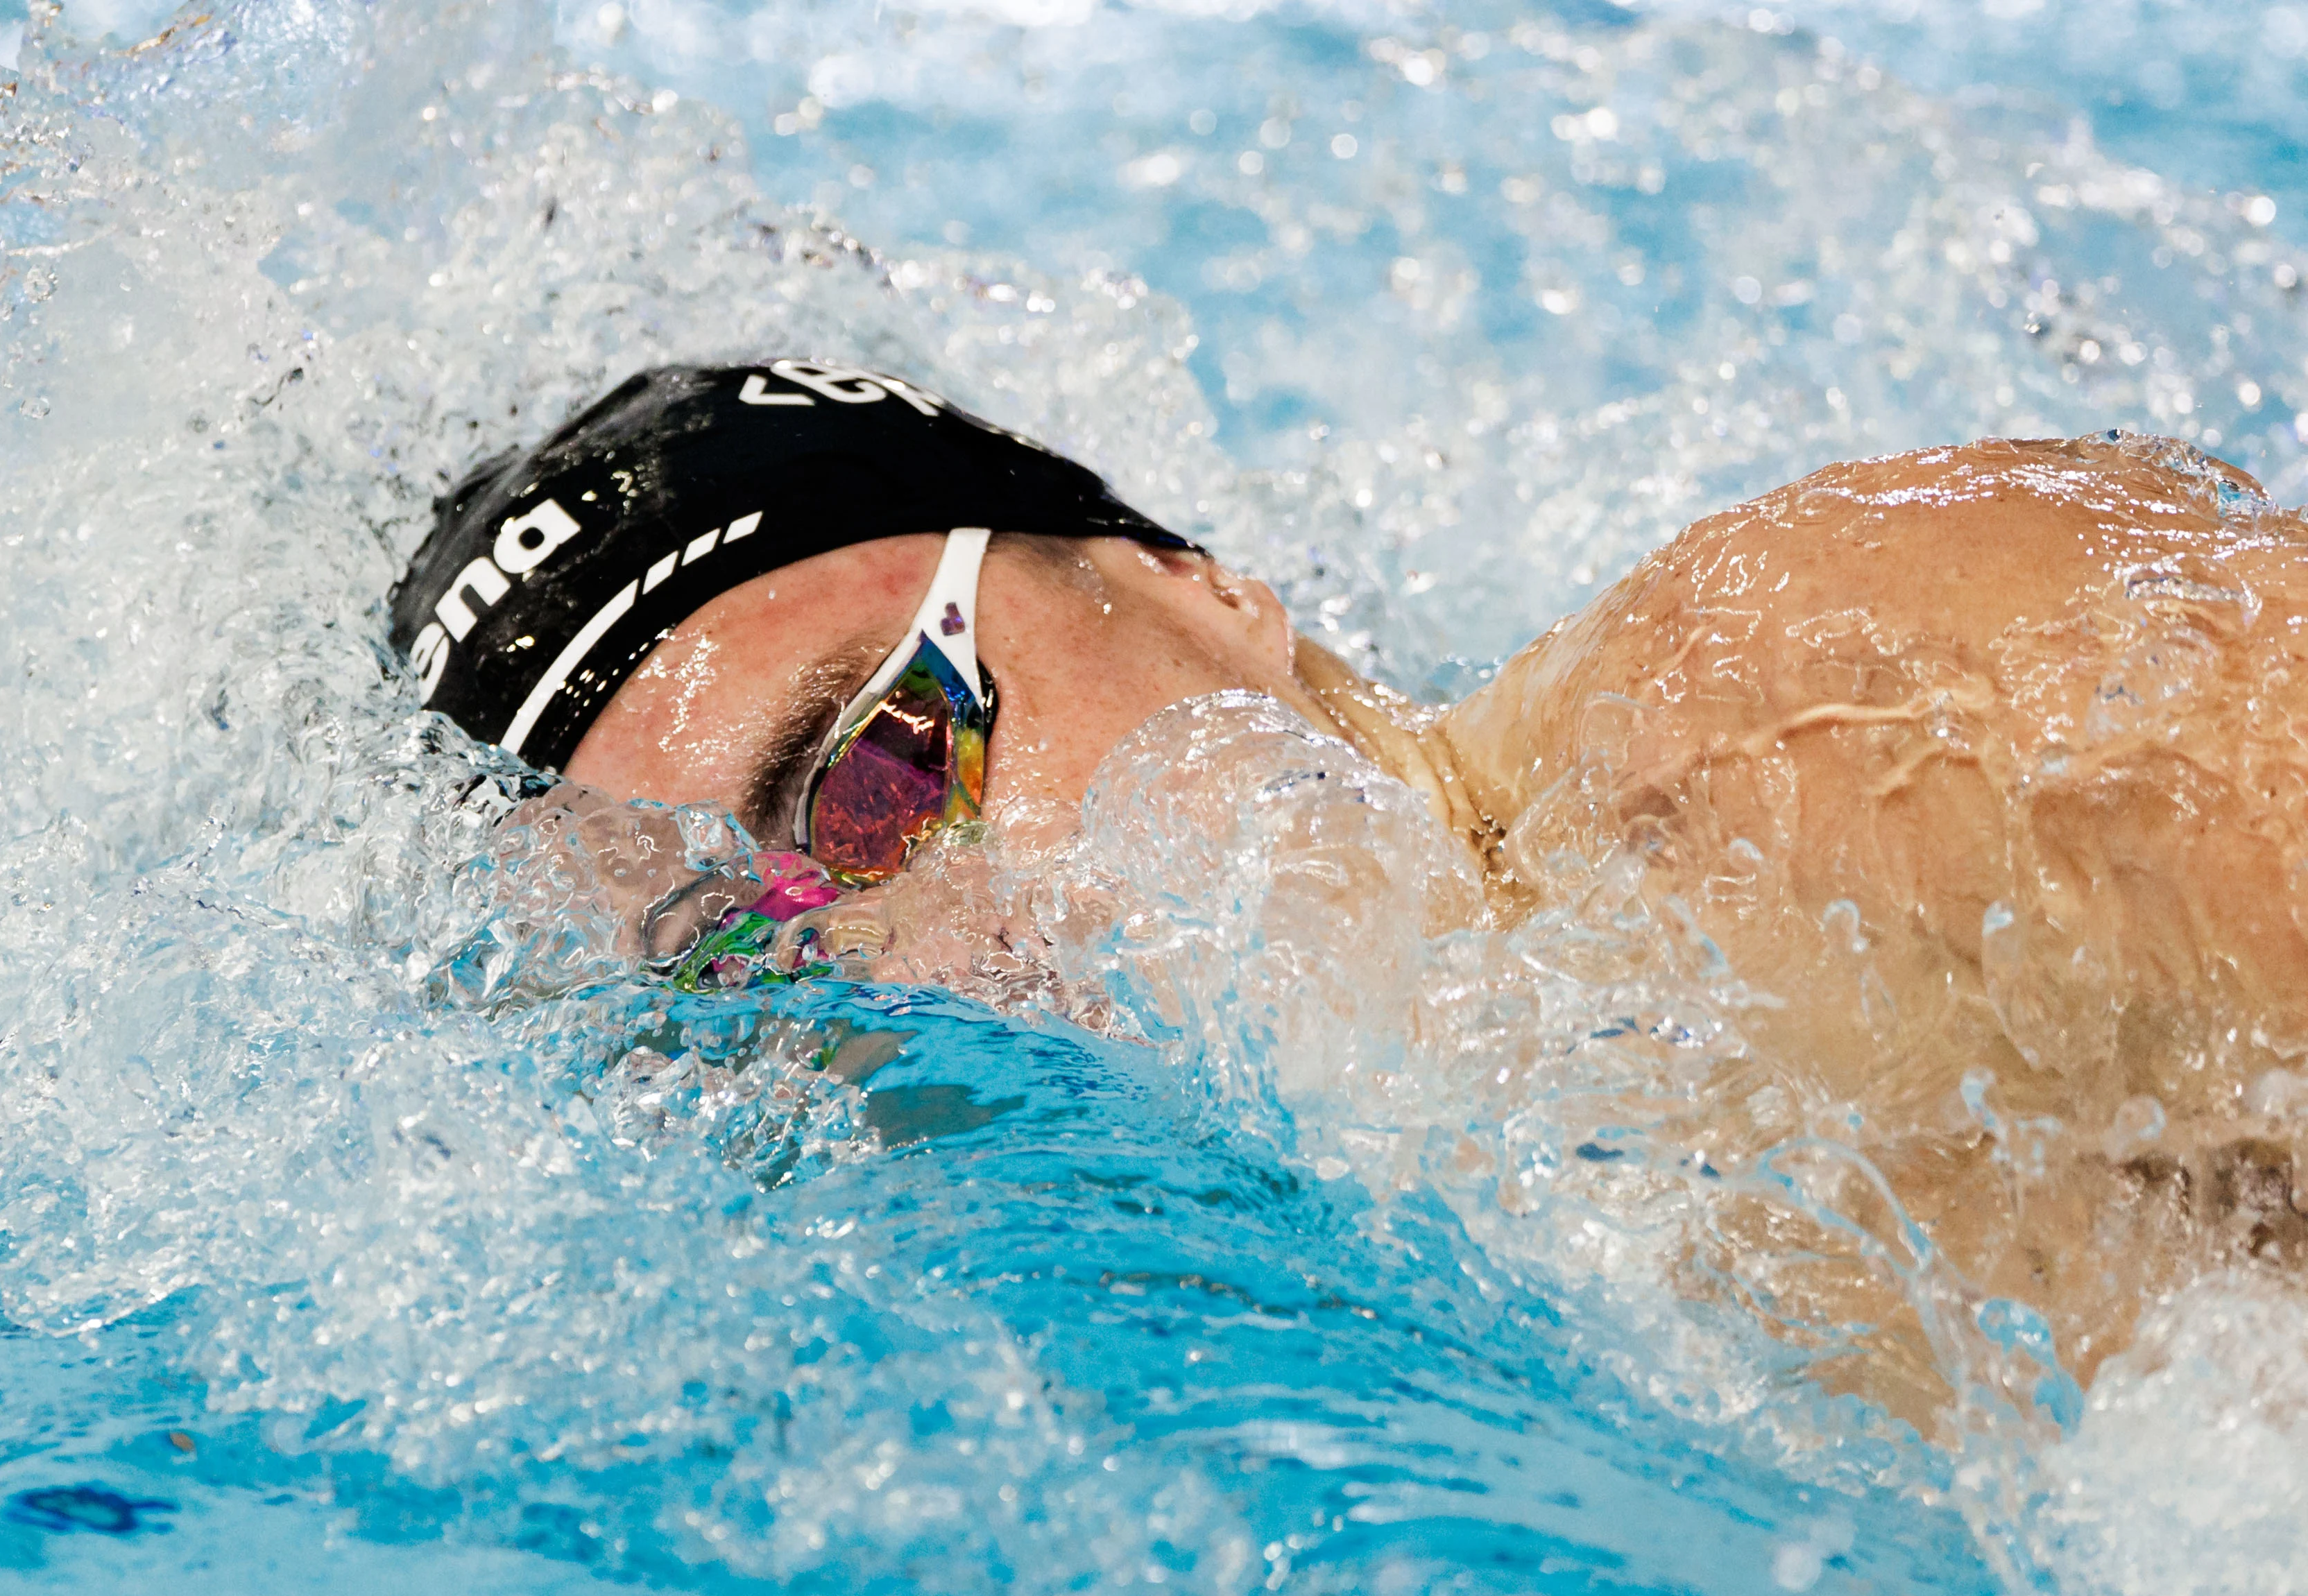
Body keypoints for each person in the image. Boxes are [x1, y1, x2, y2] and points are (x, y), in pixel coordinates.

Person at [391, 359, 2308, 1407]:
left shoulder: (1829, 704)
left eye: (886, 760)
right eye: (747, 941)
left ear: (1193, 582)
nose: (918, 958)